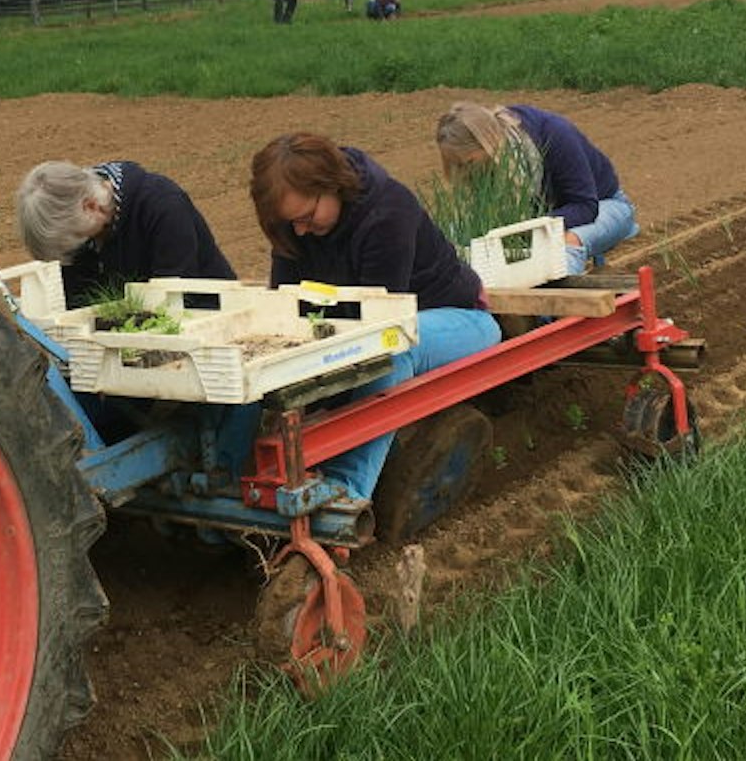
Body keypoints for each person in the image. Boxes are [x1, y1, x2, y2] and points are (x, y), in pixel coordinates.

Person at [217, 133, 499, 507]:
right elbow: (287, 305)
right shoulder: (294, 224)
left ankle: (347, 491)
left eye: (307, 218)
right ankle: (228, 478)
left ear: (332, 185)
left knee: (390, 352)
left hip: (454, 316)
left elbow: (377, 326)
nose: (300, 231)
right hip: (367, 325)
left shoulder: (387, 212)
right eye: (291, 222)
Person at [435, 101, 637, 276]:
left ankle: (554, 304)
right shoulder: (480, 164)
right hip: (536, 224)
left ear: (487, 143)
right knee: (452, 235)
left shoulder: (553, 133)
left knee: (562, 246)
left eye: (469, 162)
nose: (466, 171)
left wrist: (531, 229)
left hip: (603, 206)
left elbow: (585, 206)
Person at [16, 159, 235, 305]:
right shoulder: (77, 219)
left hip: (211, 315)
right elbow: (77, 301)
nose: (77, 248)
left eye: (77, 238)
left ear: (91, 206)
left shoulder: (164, 206)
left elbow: (176, 297)